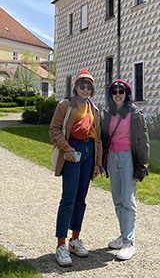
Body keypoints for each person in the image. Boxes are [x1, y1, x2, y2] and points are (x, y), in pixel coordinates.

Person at [49, 68, 104, 267]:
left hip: (88, 152)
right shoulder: (66, 104)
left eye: (89, 86)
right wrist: (67, 148)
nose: (85, 89)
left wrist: (98, 163)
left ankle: (75, 239)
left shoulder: (94, 109)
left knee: (81, 199)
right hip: (73, 150)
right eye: (82, 85)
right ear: (76, 87)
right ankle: (61, 244)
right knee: (68, 199)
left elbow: (97, 138)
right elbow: (54, 129)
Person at [101, 79, 149, 261]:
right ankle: (122, 236)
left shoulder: (135, 113)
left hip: (129, 157)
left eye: (121, 92)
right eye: (114, 92)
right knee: (118, 199)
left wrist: (141, 168)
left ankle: (129, 242)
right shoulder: (108, 113)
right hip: (113, 157)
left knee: (128, 200)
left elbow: (143, 142)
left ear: (127, 94)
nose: (118, 95)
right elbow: (104, 138)